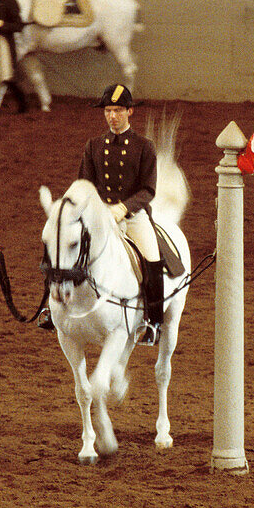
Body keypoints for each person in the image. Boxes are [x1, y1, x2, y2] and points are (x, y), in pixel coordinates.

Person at [79, 83, 164, 344]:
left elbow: (148, 190)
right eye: (107, 111)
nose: (112, 116)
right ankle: (52, 307)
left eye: (117, 110)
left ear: (129, 112)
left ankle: (153, 322)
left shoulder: (144, 147)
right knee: (65, 247)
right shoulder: (94, 145)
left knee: (152, 259)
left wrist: (123, 207)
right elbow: (85, 184)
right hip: (101, 217)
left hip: (133, 216)